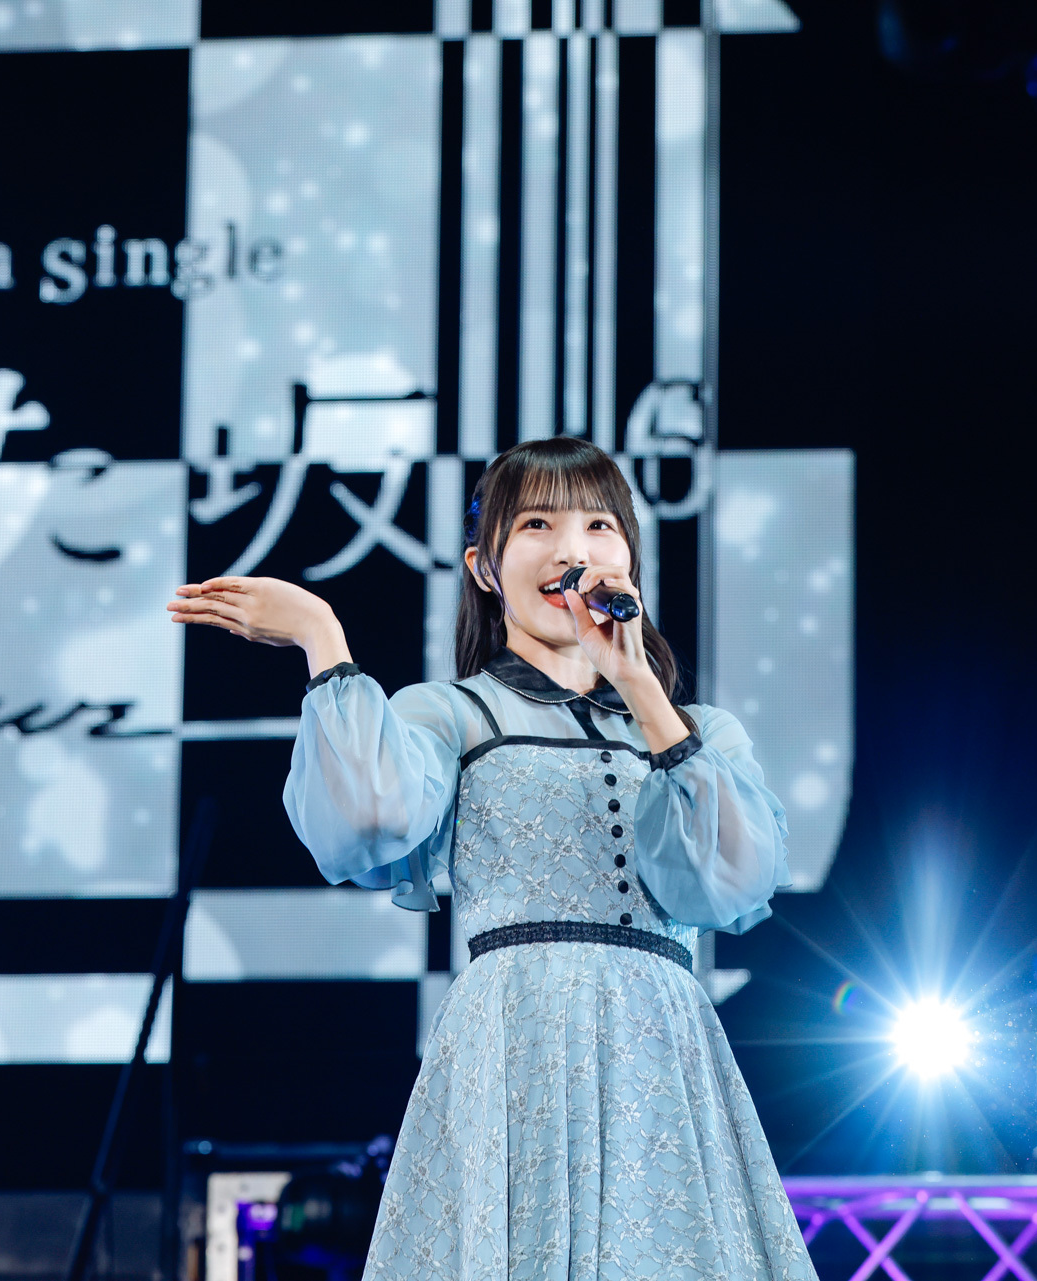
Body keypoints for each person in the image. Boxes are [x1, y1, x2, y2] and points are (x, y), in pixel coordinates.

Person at [168, 438, 816, 1279]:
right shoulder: (452, 714)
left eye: (598, 525)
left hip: (658, 1048)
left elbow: (733, 878)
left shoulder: (701, 733)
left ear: (628, 559)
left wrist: (640, 685)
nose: (571, 548)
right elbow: (365, 817)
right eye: (538, 524)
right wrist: (323, 638)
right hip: (514, 1039)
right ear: (484, 567)